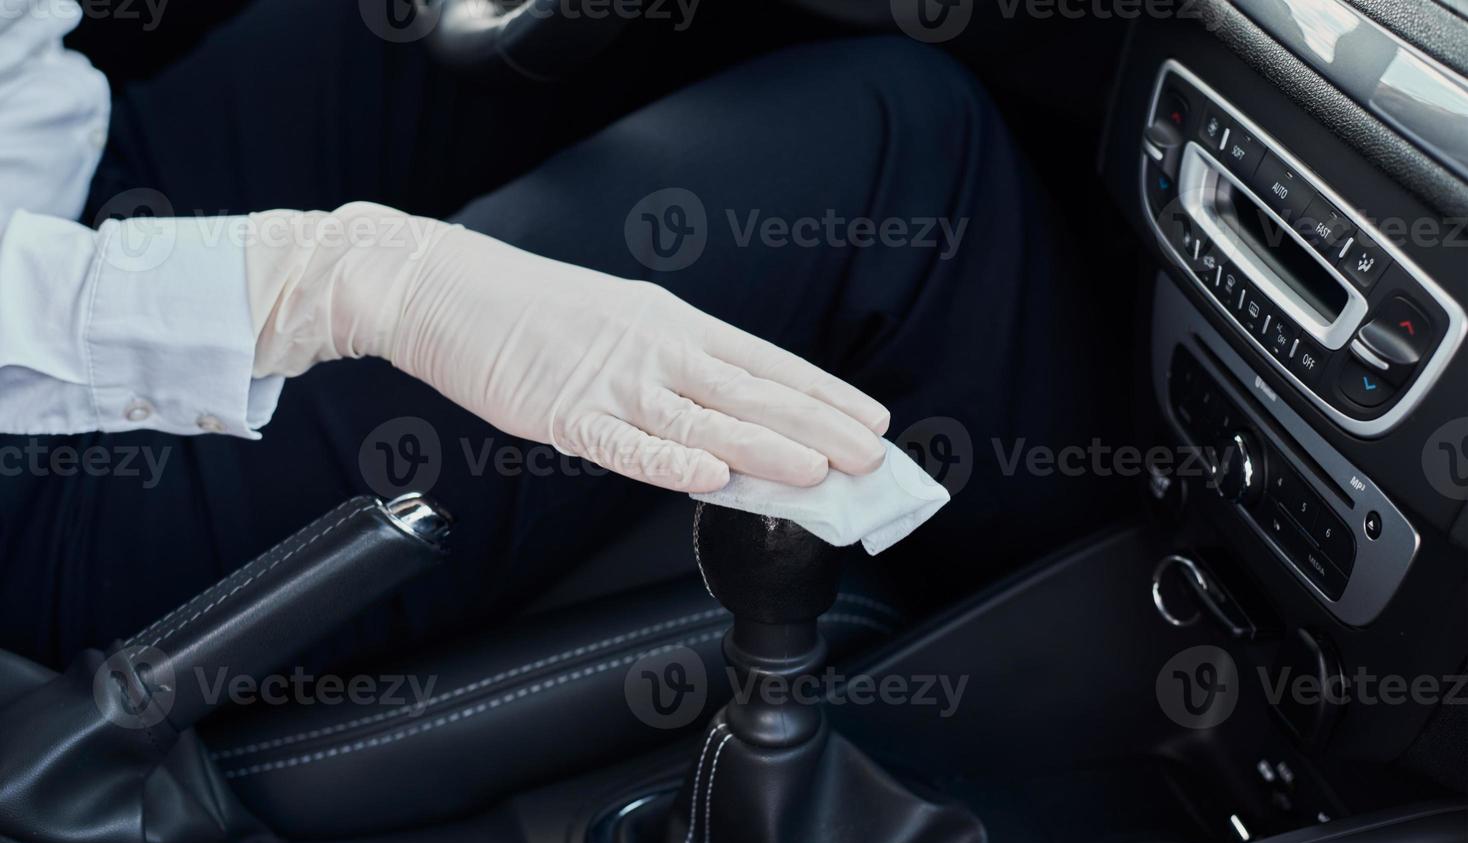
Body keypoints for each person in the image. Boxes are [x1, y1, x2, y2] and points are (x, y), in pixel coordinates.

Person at [0, 0, 1109, 668]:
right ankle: (1086, 685)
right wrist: (347, 281)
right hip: (45, 445)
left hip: (75, 152)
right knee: (901, 150)